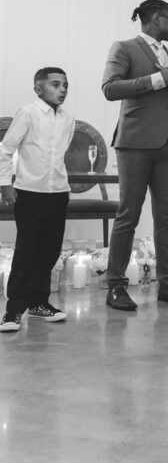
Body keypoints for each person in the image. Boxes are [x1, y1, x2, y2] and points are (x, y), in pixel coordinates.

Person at [102, 0, 168, 310]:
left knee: (167, 218)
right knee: (128, 215)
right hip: (134, 144)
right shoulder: (124, 48)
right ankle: (116, 287)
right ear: (156, 18)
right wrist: (160, 80)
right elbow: (110, 88)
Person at [0, 68, 74, 331]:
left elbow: (60, 153)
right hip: (30, 194)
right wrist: (5, 184)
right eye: (56, 84)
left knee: (49, 250)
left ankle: (39, 305)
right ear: (38, 89)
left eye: (65, 85)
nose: (63, 89)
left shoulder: (68, 118)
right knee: (27, 250)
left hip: (58, 194)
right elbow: (5, 149)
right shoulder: (27, 113)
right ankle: (13, 311)